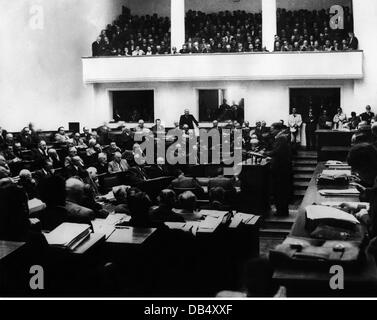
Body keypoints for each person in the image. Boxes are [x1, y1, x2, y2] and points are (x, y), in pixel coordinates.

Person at [264, 122, 292, 217]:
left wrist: (266, 153)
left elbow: (277, 152)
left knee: (280, 192)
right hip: (282, 168)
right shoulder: (281, 138)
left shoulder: (281, 138)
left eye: (272, 129)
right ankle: (282, 211)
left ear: (277, 129)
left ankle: (281, 212)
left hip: (280, 170)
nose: (271, 131)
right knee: (280, 192)